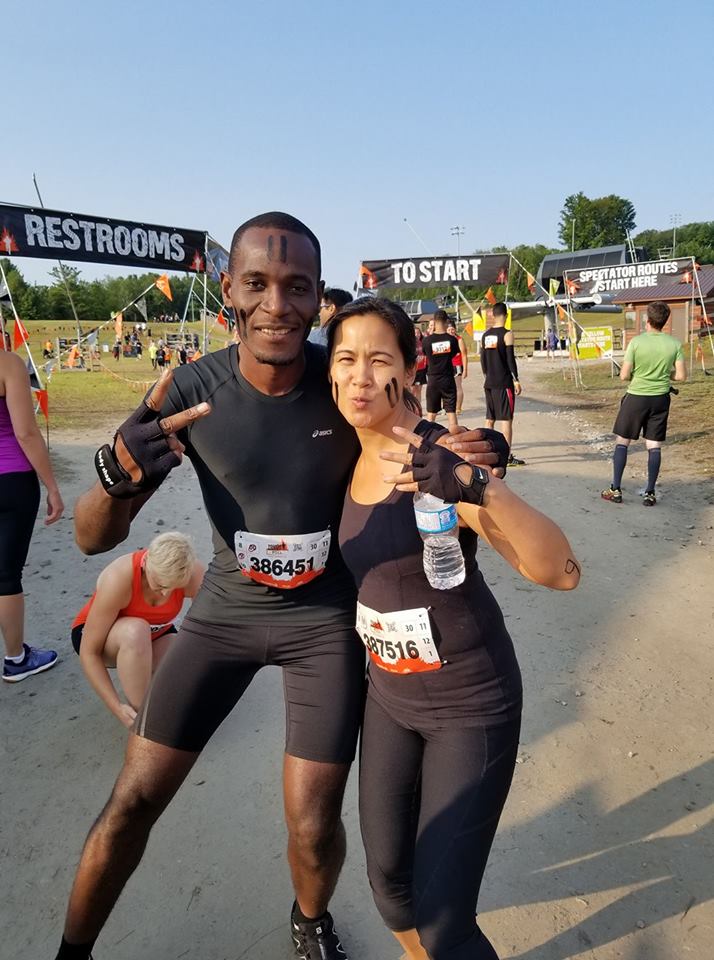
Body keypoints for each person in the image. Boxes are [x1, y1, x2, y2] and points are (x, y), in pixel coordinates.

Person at [54, 212, 505, 960]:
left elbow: (420, 433)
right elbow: (92, 537)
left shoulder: (339, 383)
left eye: (297, 287)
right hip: (224, 615)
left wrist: (478, 450)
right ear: (228, 289)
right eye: (257, 283)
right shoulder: (191, 389)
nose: (276, 305)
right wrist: (113, 473)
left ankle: (310, 922)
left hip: (322, 625)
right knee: (133, 800)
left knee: (312, 820)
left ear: (317, 295)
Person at [327, 297, 580, 960]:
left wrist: (478, 484)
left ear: (411, 368)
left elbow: (561, 571)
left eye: (378, 359)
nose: (359, 376)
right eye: (345, 359)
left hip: (470, 704)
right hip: (389, 699)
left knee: (446, 922)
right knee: (389, 885)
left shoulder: (440, 457)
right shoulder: (340, 452)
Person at [71, 532, 204, 726]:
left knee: (186, 659)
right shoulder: (119, 577)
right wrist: (117, 708)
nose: (166, 593)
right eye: (160, 585)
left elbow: (206, 633)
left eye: (174, 586)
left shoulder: (193, 573)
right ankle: (143, 718)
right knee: (136, 631)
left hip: (155, 632)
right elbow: (89, 653)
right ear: (146, 562)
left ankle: (157, 701)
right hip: (102, 638)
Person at [1, 350, 64, 682]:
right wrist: (52, 486)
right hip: (11, 480)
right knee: (6, 575)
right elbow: (25, 432)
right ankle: (15, 658)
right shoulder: (8, 363)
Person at [601, 301, 686, 506]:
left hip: (636, 397)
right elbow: (681, 376)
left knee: (623, 441)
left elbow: (624, 376)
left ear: (647, 320)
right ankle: (650, 492)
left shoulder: (636, 342)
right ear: (665, 321)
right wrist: (665, 375)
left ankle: (615, 489)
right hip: (660, 399)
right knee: (654, 445)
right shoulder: (674, 344)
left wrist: (637, 375)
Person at [481, 302, 525, 466]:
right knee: (506, 420)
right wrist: (516, 379)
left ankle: (487, 453)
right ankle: (506, 457)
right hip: (504, 383)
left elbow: (483, 360)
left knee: (490, 419)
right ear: (506, 316)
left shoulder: (485, 335)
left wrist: (487, 375)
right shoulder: (507, 334)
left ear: (493, 315)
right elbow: (510, 359)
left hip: (489, 382)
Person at [422, 310, 460, 430]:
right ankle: (455, 438)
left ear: (434, 321)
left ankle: (428, 438)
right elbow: (454, 354)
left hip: (433, 379)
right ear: (446, 321)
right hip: (447, 378)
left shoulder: (427, 341)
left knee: (431, 413)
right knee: (451, 412)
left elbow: (425, 354)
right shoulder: (452, 340)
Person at [446, 321, 469, 414]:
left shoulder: (459, 340)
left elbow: (464, 355)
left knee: (457, 386)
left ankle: (458, 408)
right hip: (446, 366)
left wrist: (465, 370)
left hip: (457, 365)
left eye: (452, 329)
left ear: (455, 329)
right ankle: (448, 407)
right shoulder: (445, 339)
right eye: (449, 329)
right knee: (447, 387)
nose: (451, 331)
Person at [412, 325, 427, 408]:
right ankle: (412, 407)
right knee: (412, 390)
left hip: (421, 368)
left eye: (418, 333)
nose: (417, 334)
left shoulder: (423, 342)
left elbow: (426, 353)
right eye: (415, 333)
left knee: (419, 390)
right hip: (413, 369)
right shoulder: (410, 343)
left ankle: (418, 407)